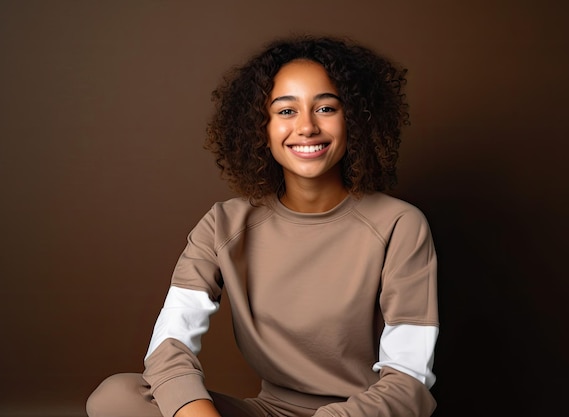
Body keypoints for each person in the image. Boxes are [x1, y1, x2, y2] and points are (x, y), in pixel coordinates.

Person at [86, 35, 439, 417]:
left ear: (355, 119)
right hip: (271, 411)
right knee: (118, 396)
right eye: (286, 111)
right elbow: (168, 348)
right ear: (260, 127)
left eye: (326, 108)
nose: (306, 127)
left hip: (364, 414)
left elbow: (408, 382)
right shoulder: (225, 225)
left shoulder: (399, 225)